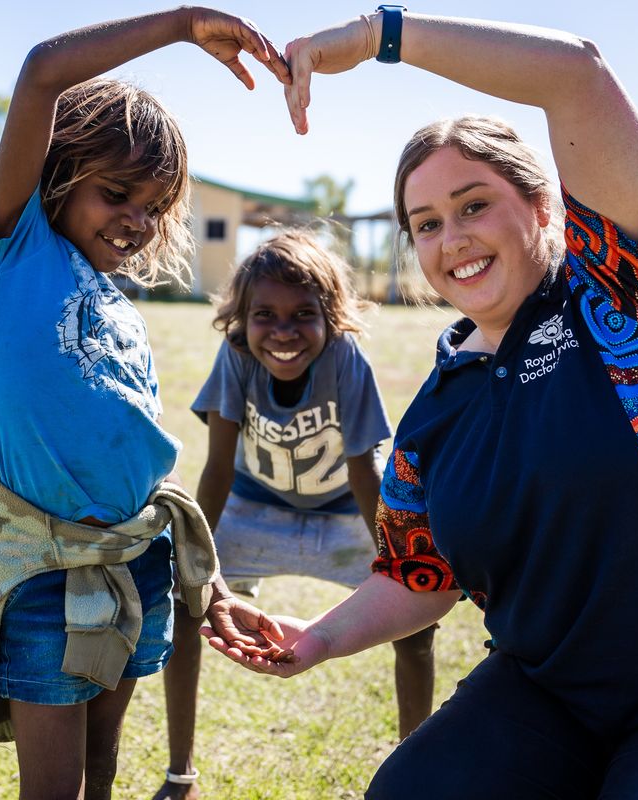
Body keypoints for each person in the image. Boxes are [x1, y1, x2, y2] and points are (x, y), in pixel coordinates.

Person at [205, 8, 638, 799]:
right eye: (428, 224)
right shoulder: (436, 411)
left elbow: (575, 74)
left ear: (543, 207)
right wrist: (320, 639)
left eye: (474, 205)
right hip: (547, 698)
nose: (454, 239)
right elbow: (419, 572)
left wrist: (378, 37)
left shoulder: (629, 298)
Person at [0, 9, 291, 800]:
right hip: (45, 569)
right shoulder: (15, 254)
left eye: (152, 206)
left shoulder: (118, 302)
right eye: (115, 194)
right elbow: (40, 71)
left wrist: (205, 578)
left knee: (102, 770)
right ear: (58, 172)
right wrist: (179, 25)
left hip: (137, 561)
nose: (134, 220)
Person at [155, 230, 436, 799]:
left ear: (331, 318)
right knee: (185, 603)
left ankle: (415, 778)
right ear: (241, 318)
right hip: (256, 509)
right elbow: (219, 468)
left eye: (303, 314)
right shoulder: (236, 354)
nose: (283, 332)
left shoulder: (344, 357)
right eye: (265, 315)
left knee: (415, 626)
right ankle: (180, 773)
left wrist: (395, 560)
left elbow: (365, 471)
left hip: (343, 515)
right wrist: (199, 558)